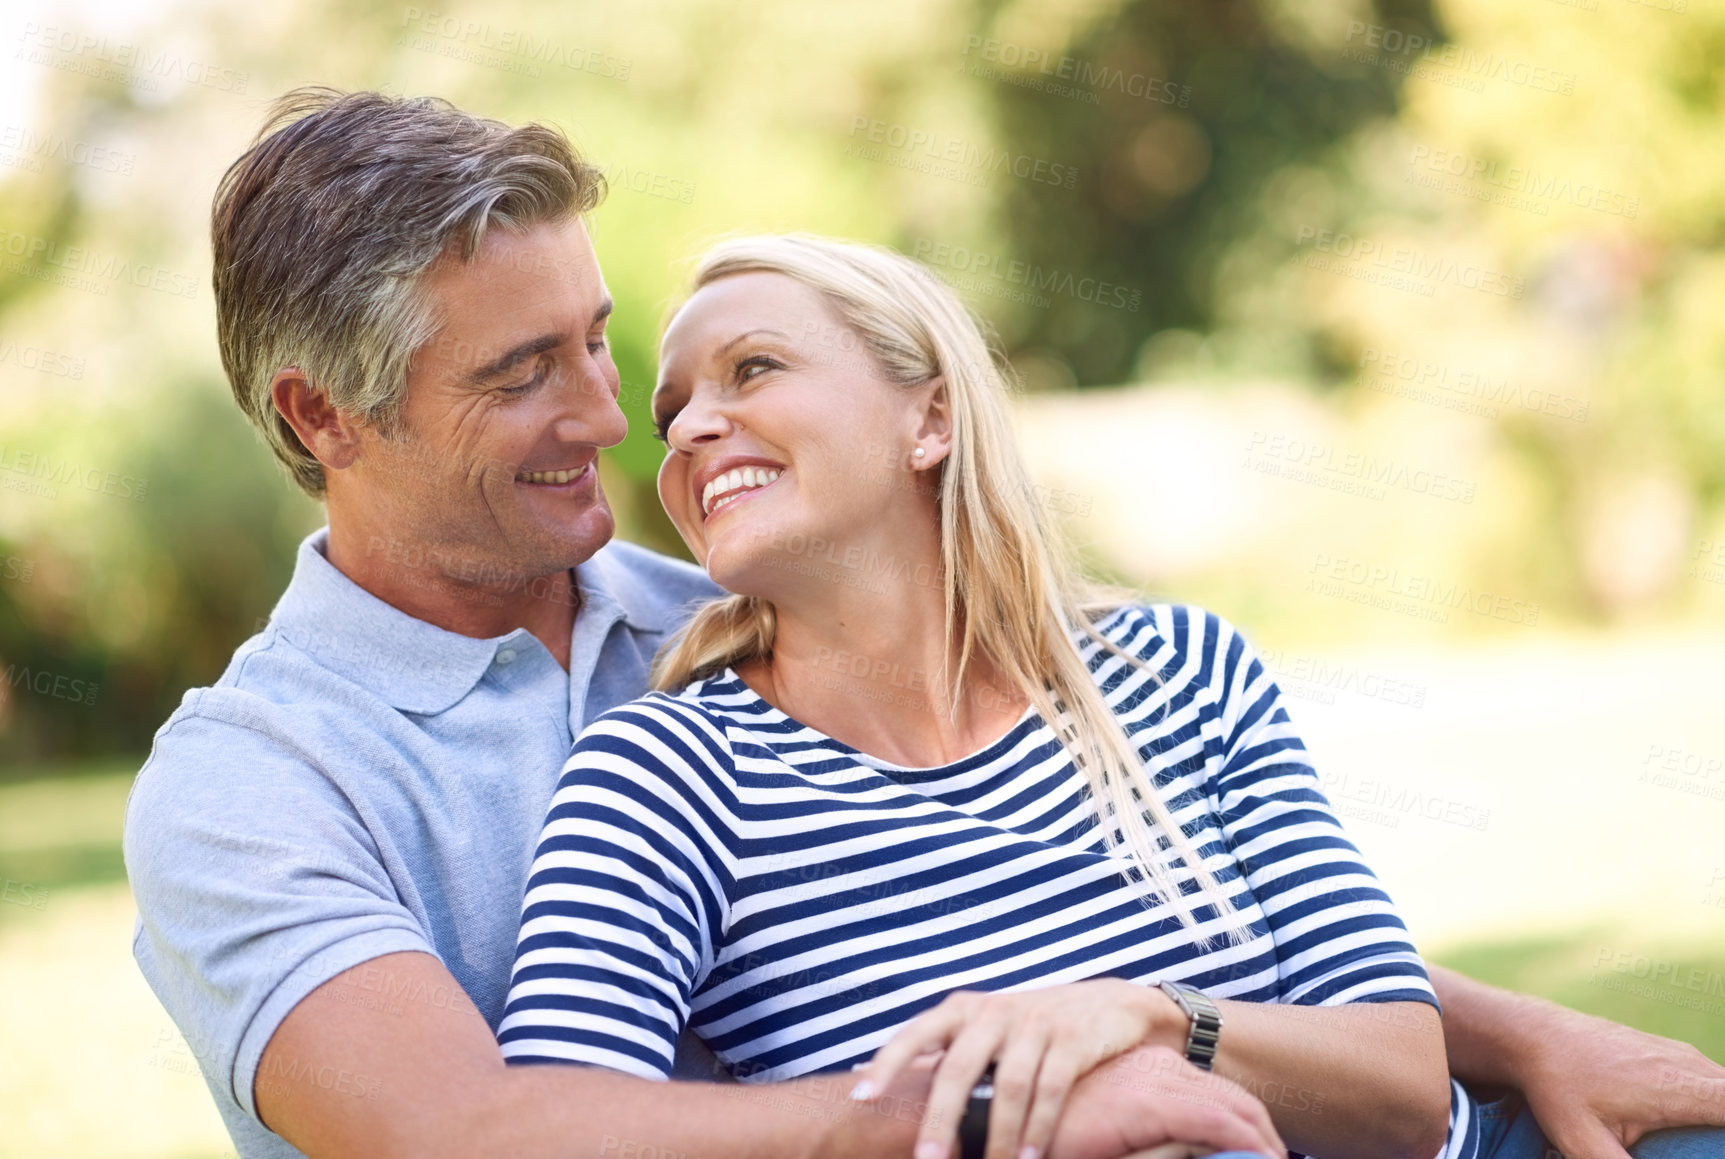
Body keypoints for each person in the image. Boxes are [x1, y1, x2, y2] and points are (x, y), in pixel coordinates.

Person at [123, 86, 1724, 1159]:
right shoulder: (254, 784)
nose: (616, 418)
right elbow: (476, 1130)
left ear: (931, 418)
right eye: (518, 373)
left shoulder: (735, 609)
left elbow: (1094, 913)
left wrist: (1502, 1028)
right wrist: (997, 1097)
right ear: (320, 415)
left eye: (599, 345)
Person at [496, 234, 1725, 1159]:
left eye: (751, 369)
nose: (692, 427)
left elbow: (1401, 1080)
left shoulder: (1176, 668)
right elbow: (562, 1127)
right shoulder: (662, 780)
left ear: (928, 416)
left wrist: (1142, 1018)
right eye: (671, 414)